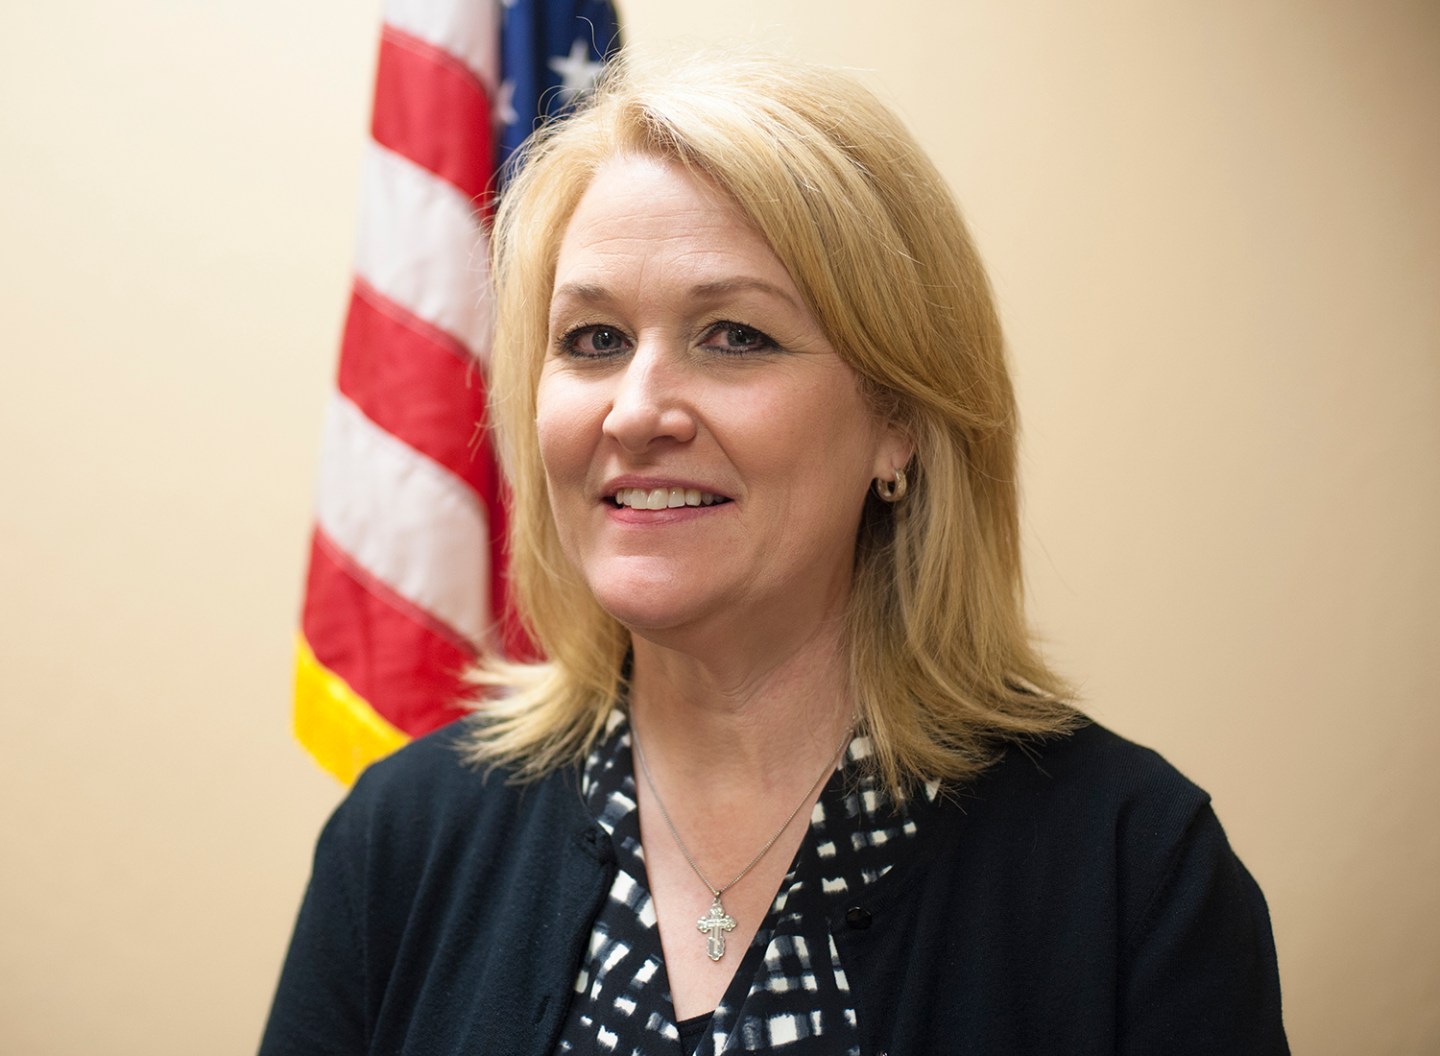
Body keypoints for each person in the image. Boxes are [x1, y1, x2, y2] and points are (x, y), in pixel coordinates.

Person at [260, 52, 1288, 1055]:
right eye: (594, 339)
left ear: (898, 419)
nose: (636, 412)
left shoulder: (1135, 872)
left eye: (733, 336)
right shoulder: (400, 841)